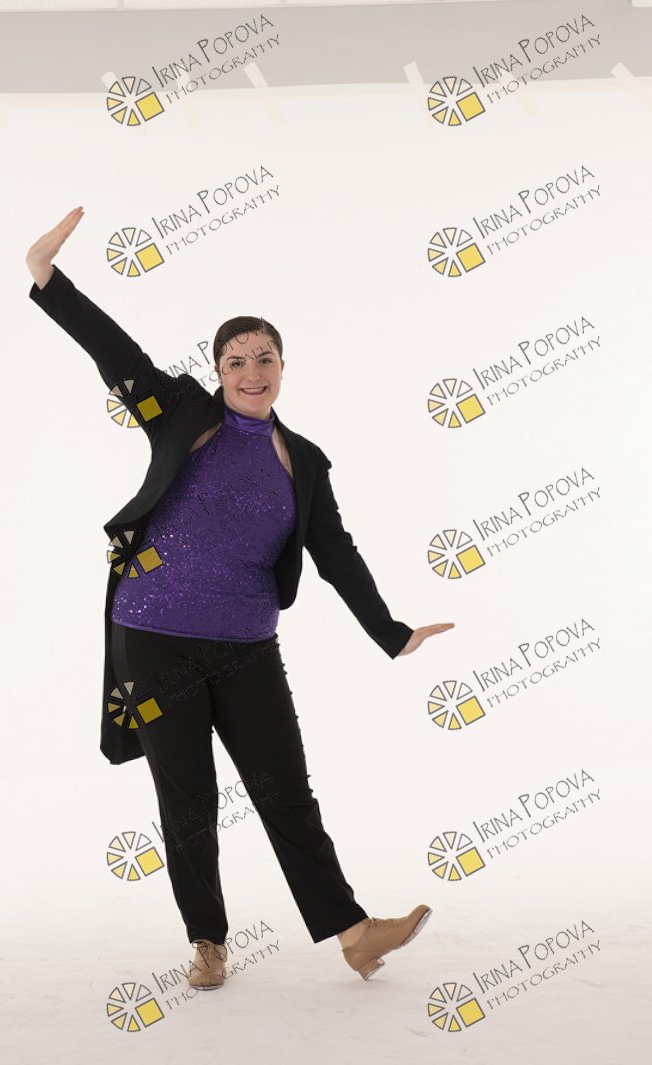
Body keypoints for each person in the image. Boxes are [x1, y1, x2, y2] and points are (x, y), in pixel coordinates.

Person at [26, 206, 454, 989]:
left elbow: (336, 553)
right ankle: (208, 943)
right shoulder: (181, 415)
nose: (251, 371)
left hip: (248, 646)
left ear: (283, 366)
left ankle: (355, 933)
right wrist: (47, 277)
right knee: (188, 798)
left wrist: (391, 632)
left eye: (264, 358)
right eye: (235, 360)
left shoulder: (304, 461)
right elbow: (115, 353)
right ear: (218, 370)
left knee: (287, 791)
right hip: (152, 637)